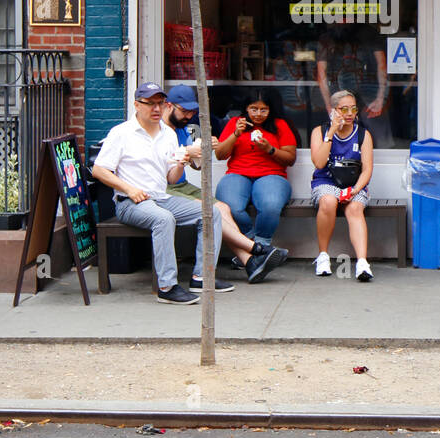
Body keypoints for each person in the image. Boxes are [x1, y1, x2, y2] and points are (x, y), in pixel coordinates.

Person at [91, 83, 287, 304]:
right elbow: (99, 170)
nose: (156, 109)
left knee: (210, 212)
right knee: (163, 219)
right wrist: (129, 189)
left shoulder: (167, 134)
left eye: (159, 103)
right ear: (137, 105)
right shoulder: (122, 133)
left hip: (161, 196)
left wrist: (181, 163)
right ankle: (167, 287)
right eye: (150, 104)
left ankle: (202, 276)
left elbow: (171, 179)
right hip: (130, 202)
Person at [214, 90, 296, 250]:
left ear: (270, 110)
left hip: (272, 174)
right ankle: (254, 246)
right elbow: (220, 155)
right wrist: (236, 134)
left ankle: (261, 245)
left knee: (270, 206)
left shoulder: (279, 125)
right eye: (253, 109)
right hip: (237, 174)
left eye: (263, 110)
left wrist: (269, 149)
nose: (258, 114)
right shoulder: (235, 123)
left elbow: (290, 159)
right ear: (246, 109)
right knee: (230, 207)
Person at [309, 89, 374, 281]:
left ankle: (362, 263)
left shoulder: (363, 134)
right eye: (343, 109)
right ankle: (323, 256)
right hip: (326, 181)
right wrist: (331, 132)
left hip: (354, 183)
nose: (348, 114)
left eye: (352, 109)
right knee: (328, 201)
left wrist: (354, 191)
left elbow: (367, 170)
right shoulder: (319, 132)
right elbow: (319, 163)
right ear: (333, 111)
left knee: (355, 208)